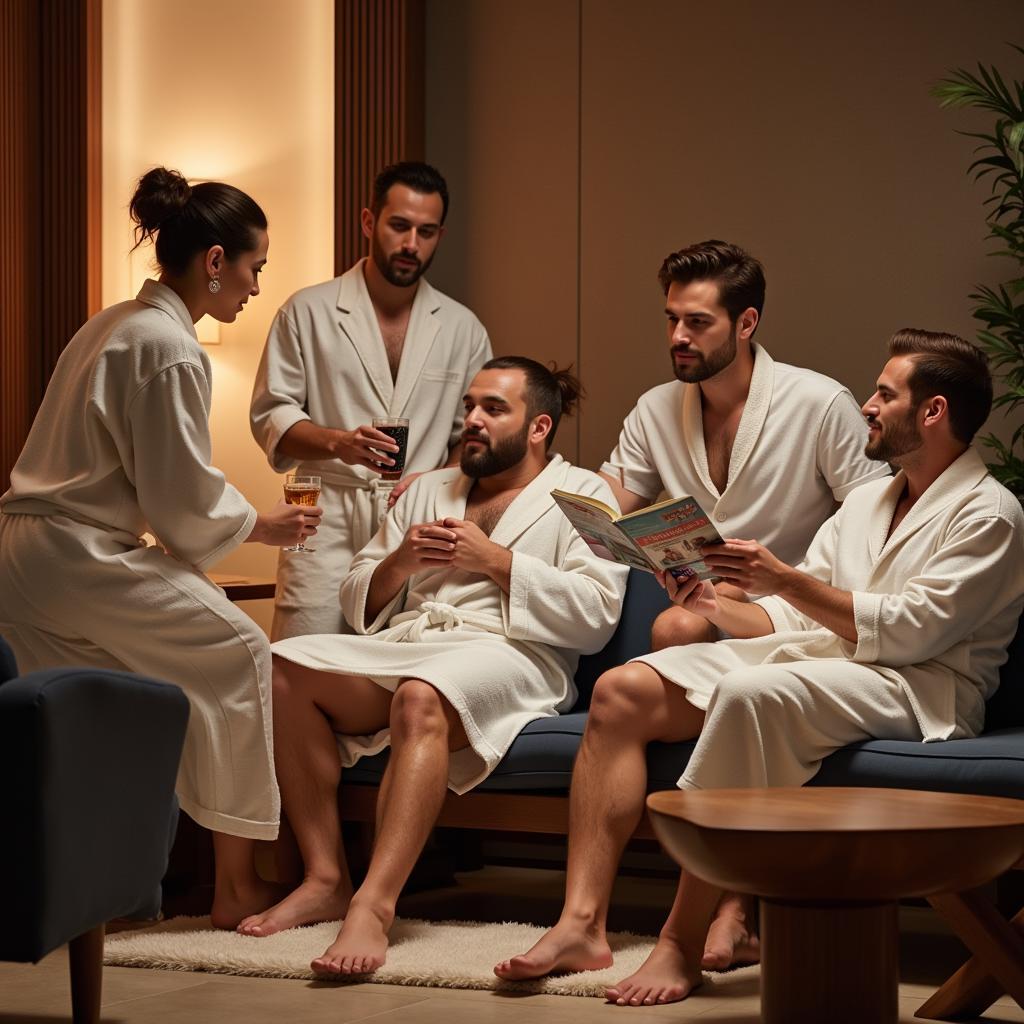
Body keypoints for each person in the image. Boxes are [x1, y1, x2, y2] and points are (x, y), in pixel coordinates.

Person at [496, 329, 1024, 1004]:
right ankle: (580, 923)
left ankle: (679, 943)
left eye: (885, 394)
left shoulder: (990, 514)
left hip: (922, 686)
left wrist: (783, 579)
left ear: (933, 412)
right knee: (623, 689)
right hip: (834, 661)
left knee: (751, 691)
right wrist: (713, 603)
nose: (867, 404)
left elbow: (912, 633)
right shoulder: (869, 502)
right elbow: (797, 620)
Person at [235, 357, 629, 978]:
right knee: (280, 667)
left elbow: (598, 612)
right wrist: (401, 563)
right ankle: (326, 877)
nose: (472, 419)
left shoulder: (587, 495)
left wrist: (497, 561)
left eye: (493, 409)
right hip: (406, 643)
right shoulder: (426, 489)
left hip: (511, 654)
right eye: (470, 405)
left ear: (538, 427)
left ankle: (373, 904)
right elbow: (358, 589)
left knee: (421, 695)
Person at [0, 167, 321, 928]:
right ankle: (238, 888)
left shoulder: (107, 324)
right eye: (254, 269)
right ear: (215, 261)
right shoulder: (170, 348)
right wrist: (259, 526)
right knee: (243, 652)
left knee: (104, 712)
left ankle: (93, 891)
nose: (253, 288)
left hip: (19, 558)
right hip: (79, 553)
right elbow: (180, 498)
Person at [599, 239, 889, 652]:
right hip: (699, 600)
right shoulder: (654, 408)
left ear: (745, 323)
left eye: (698, 322)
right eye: (672, 319)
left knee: (677, 627)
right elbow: (605, 506)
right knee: (678, 626)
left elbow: (875, 523)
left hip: (795, 603)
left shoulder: (821, 403)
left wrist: (771, 582)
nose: (679, 336)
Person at [250, 161, 492, 640]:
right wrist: (339, 442)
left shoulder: (463, 328)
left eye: (425, 232)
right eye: (399, 226)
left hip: (415, 516)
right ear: (368, 222)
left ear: (440, 234)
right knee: (301, 656)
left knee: (399, 659)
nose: (410, 245)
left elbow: (474, 434)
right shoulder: (308, 311)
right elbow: (272, 413)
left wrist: (440, 476)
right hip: (325, 514)